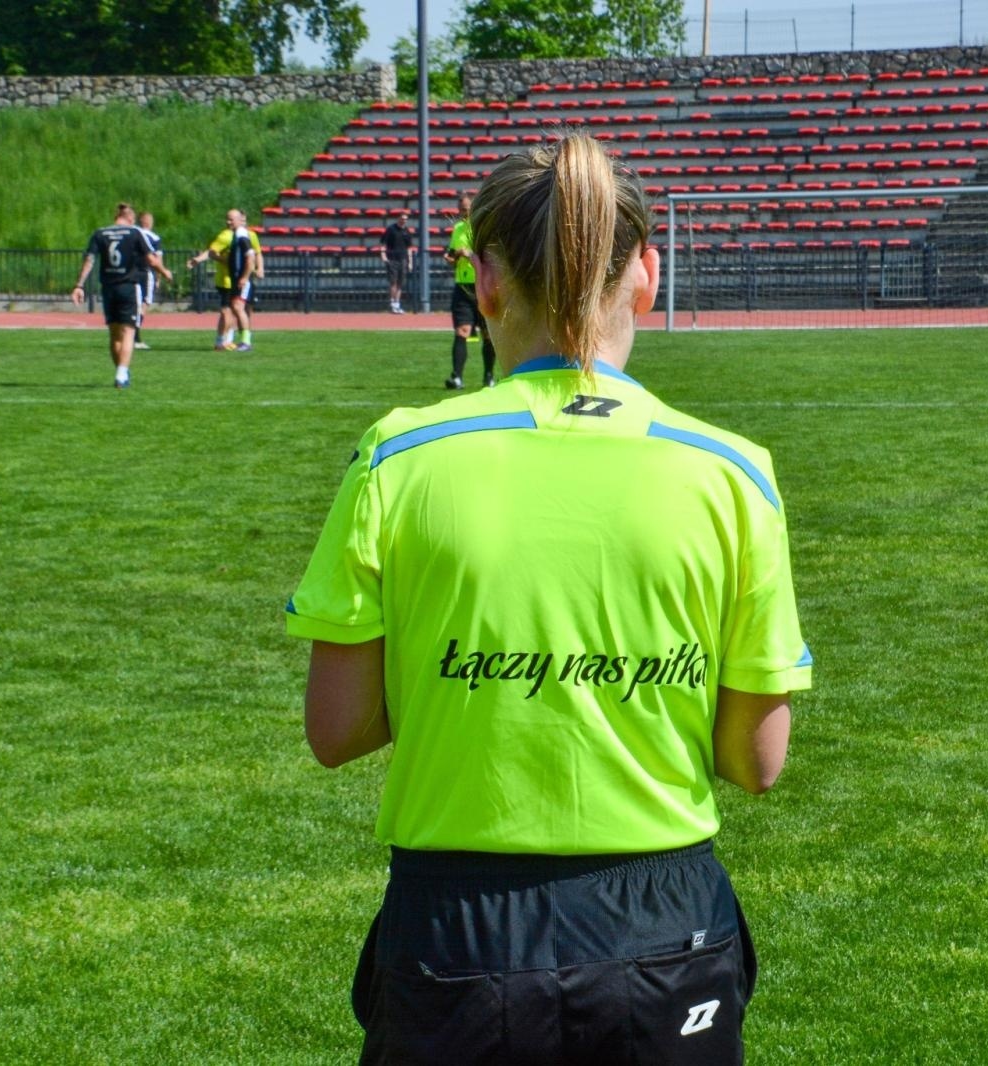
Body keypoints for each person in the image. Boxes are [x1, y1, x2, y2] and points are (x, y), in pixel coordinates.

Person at [285, 135, 812, 1065]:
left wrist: (466, 683)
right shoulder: (734, 473)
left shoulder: (399, 456)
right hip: (666, 924)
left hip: (459, 926)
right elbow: (755, 759)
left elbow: (337, 730)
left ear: (485, 282)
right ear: (647, 274)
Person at [71, 202, 163, 389]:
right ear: (130, 218)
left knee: (114, 334)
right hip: (128, 286)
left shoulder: (100, 233)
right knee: (128, 331)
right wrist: (165, 271)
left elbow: (90, 259)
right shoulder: (134, 233)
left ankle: (121, 371)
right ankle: (121, 374)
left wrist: (79, 285)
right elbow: (151, 258)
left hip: (108, 288)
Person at [441, 192, 496, 389]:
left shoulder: (484, 228)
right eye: (460, 210)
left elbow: (491, 255)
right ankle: (457, 377)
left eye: (466, 209)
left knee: (488, 334)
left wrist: (469, 254)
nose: (463, 213)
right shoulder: (457, 229)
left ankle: (489, 376)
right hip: (462, 287)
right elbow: (451, 254)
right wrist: (453, 257)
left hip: (482, 285)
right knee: (462, 331)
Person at [187, 209, 262, 352]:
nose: (228, 222)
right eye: (227, 219)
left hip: (240, 279)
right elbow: (211, 251)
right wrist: (198, 259)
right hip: (231, 280)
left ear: (241, 220)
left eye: (231, 219)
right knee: (233, 309)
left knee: (239, 308)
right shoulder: (227, 235)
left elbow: (253, 255)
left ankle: (242, 341)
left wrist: (248, 275)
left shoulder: (243, 235)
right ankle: (230, 341)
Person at [133, 211, 174, 351]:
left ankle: (129, 335)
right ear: (149, 222)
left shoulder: (132, 231)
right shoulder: (154, 237)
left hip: (129, 272)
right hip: (145, 272)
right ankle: (135, 337)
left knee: (134, 303)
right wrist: (159, 277)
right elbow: (157, 258)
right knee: (143, 304)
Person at [379, 207, 414, 314]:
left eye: (406, 219)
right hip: (392, 259)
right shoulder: (391, 229)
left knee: (400, 283)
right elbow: (383, 243)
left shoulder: (407, 231)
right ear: (398, 218)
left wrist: (410, 262)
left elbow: (409, 248)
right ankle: (393, 303)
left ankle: (397, 303)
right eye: (402, 218)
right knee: (393, 282)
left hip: (403, 259)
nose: (404, 220)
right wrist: (383, 256)